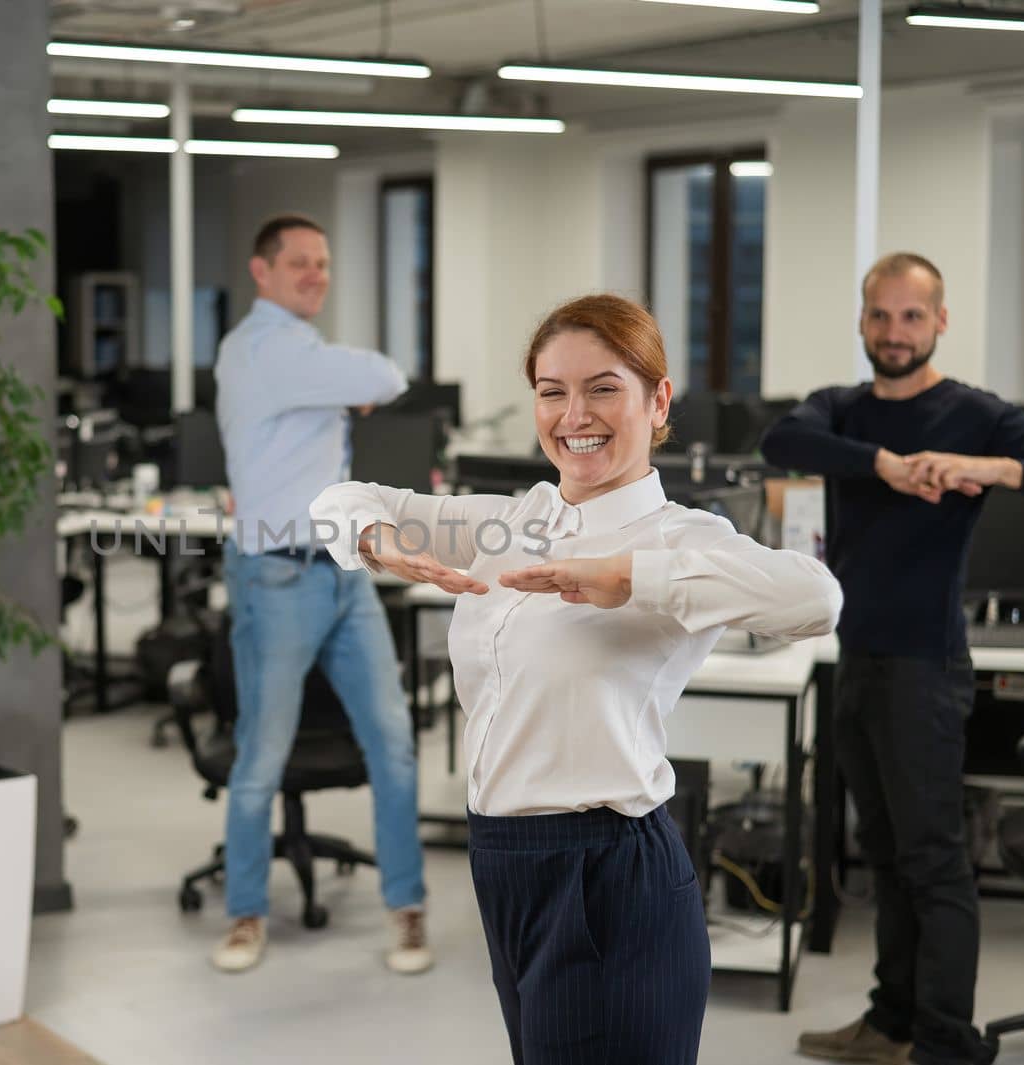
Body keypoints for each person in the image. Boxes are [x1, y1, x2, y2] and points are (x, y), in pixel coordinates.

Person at [312, 293, 842, 1064]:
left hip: (608, 877)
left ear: (658, 400)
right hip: (503, 865)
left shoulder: (680, 534)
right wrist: (375, 537)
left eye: (603, 387)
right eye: (552, 390)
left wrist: (632, 577)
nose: (573, 414)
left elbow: (816, 598)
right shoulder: (509, 521)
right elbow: (337, 496)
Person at [763, 252, 1024, 1065]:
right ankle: (892, 1021)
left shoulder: (976, 414)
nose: (893, 331)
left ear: (939, 321)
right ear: (862, 321)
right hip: (856, 658)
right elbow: (782, 439)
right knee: (882, 854)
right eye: (880, 315)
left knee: (932, 862)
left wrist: (990, 468)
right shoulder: (842, 411)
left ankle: (946, 1043)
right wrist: (878, 463)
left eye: (911, 316)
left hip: (924, 664)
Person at [210, 213, 429, 975]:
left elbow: (366, 381)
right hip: (275, 575)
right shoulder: (263, 350)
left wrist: (341, 388)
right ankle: (244, 915)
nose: (315, 275)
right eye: (299, 263)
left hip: (342, 568)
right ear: (261, 271)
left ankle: (407, 909)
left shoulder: (300, 356)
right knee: (261, 758)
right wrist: (349, 386)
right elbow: (387, 376)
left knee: (394, 743)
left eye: (324, 264)